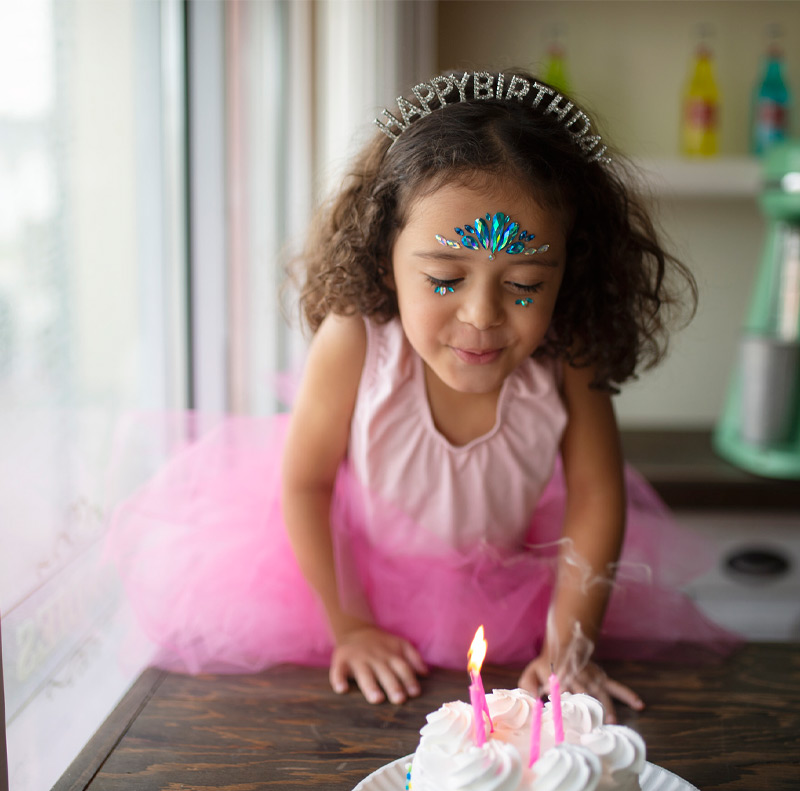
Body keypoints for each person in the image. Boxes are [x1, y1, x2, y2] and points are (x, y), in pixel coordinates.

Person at [108, 70, 738, 722]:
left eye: (523, 284)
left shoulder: (564, 358)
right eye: (444, 278)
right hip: (354, 594)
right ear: (386, 258)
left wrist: (567, 644)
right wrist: (348, 625)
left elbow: (598, 495)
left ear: (566, 272)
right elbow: (306, 486)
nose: (482, 315)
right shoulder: (355, 343)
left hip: (509, 604)